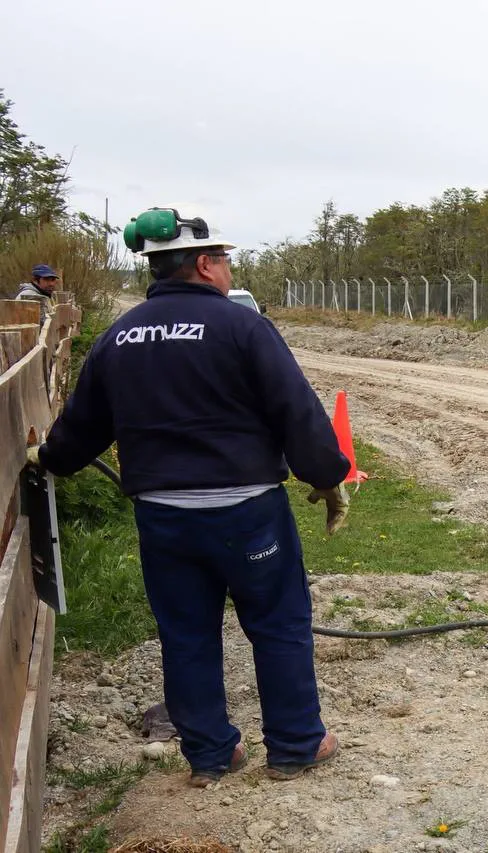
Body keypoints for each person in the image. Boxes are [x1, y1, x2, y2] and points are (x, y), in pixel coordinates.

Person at [26, 207, 351, 787]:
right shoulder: (243, 327)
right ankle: (298, 744)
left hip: (164, 519)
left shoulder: (119, 337)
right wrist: (326, 476)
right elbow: (294, 409)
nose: (228, 270)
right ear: (204, 264)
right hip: (249, 513)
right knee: (277, 623)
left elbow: (80, 429)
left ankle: (209, 756)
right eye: (224, 260)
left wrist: (49, 460)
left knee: (186, 633)